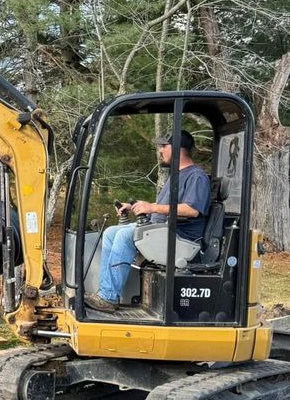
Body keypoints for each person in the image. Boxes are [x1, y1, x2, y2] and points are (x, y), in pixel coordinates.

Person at [85, 131, 211, 312]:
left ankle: (108, 297)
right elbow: (165, 208)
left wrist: (151, 208)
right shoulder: (176, 175)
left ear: (177, 148)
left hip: (180, 237)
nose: (160, 150)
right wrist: (135, 206)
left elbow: (191, 210)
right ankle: (107, 292)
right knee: (111, 232)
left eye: (163, 146)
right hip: (162, 229)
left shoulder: (196, 176)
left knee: (124, 236)